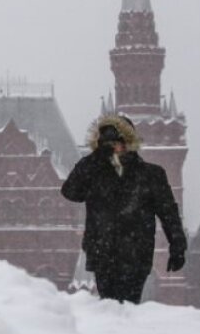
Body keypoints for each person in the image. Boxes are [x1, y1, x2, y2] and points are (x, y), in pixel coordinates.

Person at [61, 114, 186, 303]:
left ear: (129, 143)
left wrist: (177, 247)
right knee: (109, 305)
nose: (113, 147)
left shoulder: (151, 175)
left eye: (116, 142)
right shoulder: (95, 172)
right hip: (102, 253)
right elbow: (70, 191)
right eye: (107, 143)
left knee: (128, 305)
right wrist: (94, 158)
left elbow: (168, 212)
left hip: (136, 253)